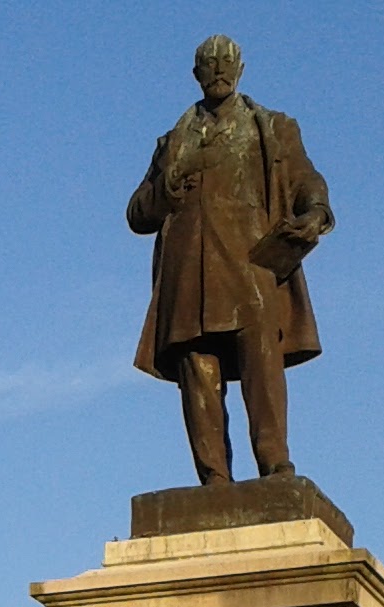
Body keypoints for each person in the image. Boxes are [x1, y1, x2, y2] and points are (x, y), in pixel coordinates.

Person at [127, 35, 334, 485]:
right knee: (198, 372)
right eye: (208, 63)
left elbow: (306, 179)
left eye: (226, 62)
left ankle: (275, 463)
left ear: (240, 69)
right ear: (196, 74)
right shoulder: (171, 144)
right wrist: (170, 181)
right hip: (189, 271)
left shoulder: (273, 128)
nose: (218, 69)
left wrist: (316, 212)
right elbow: (137, 212)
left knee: (262, 364)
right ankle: (215, 478)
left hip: (253, 264)